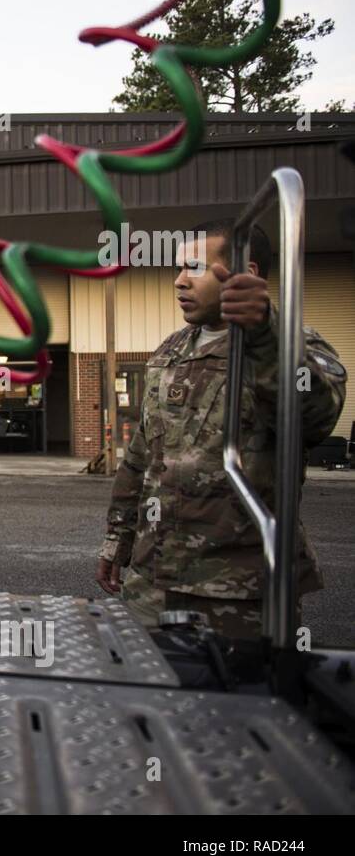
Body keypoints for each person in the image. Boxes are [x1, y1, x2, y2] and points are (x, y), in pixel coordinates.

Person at [95, 219, 346, 639]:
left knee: (239, 702)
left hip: (237, 595)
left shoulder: (292, 346)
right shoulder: (170, 351)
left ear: (245, 273)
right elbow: (140, 458)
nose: (178, 281)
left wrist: (263, 335)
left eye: (193, 267)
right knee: (152, 696)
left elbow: (313, 418)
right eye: (177, 269)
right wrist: (116, 540)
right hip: (152, 582)